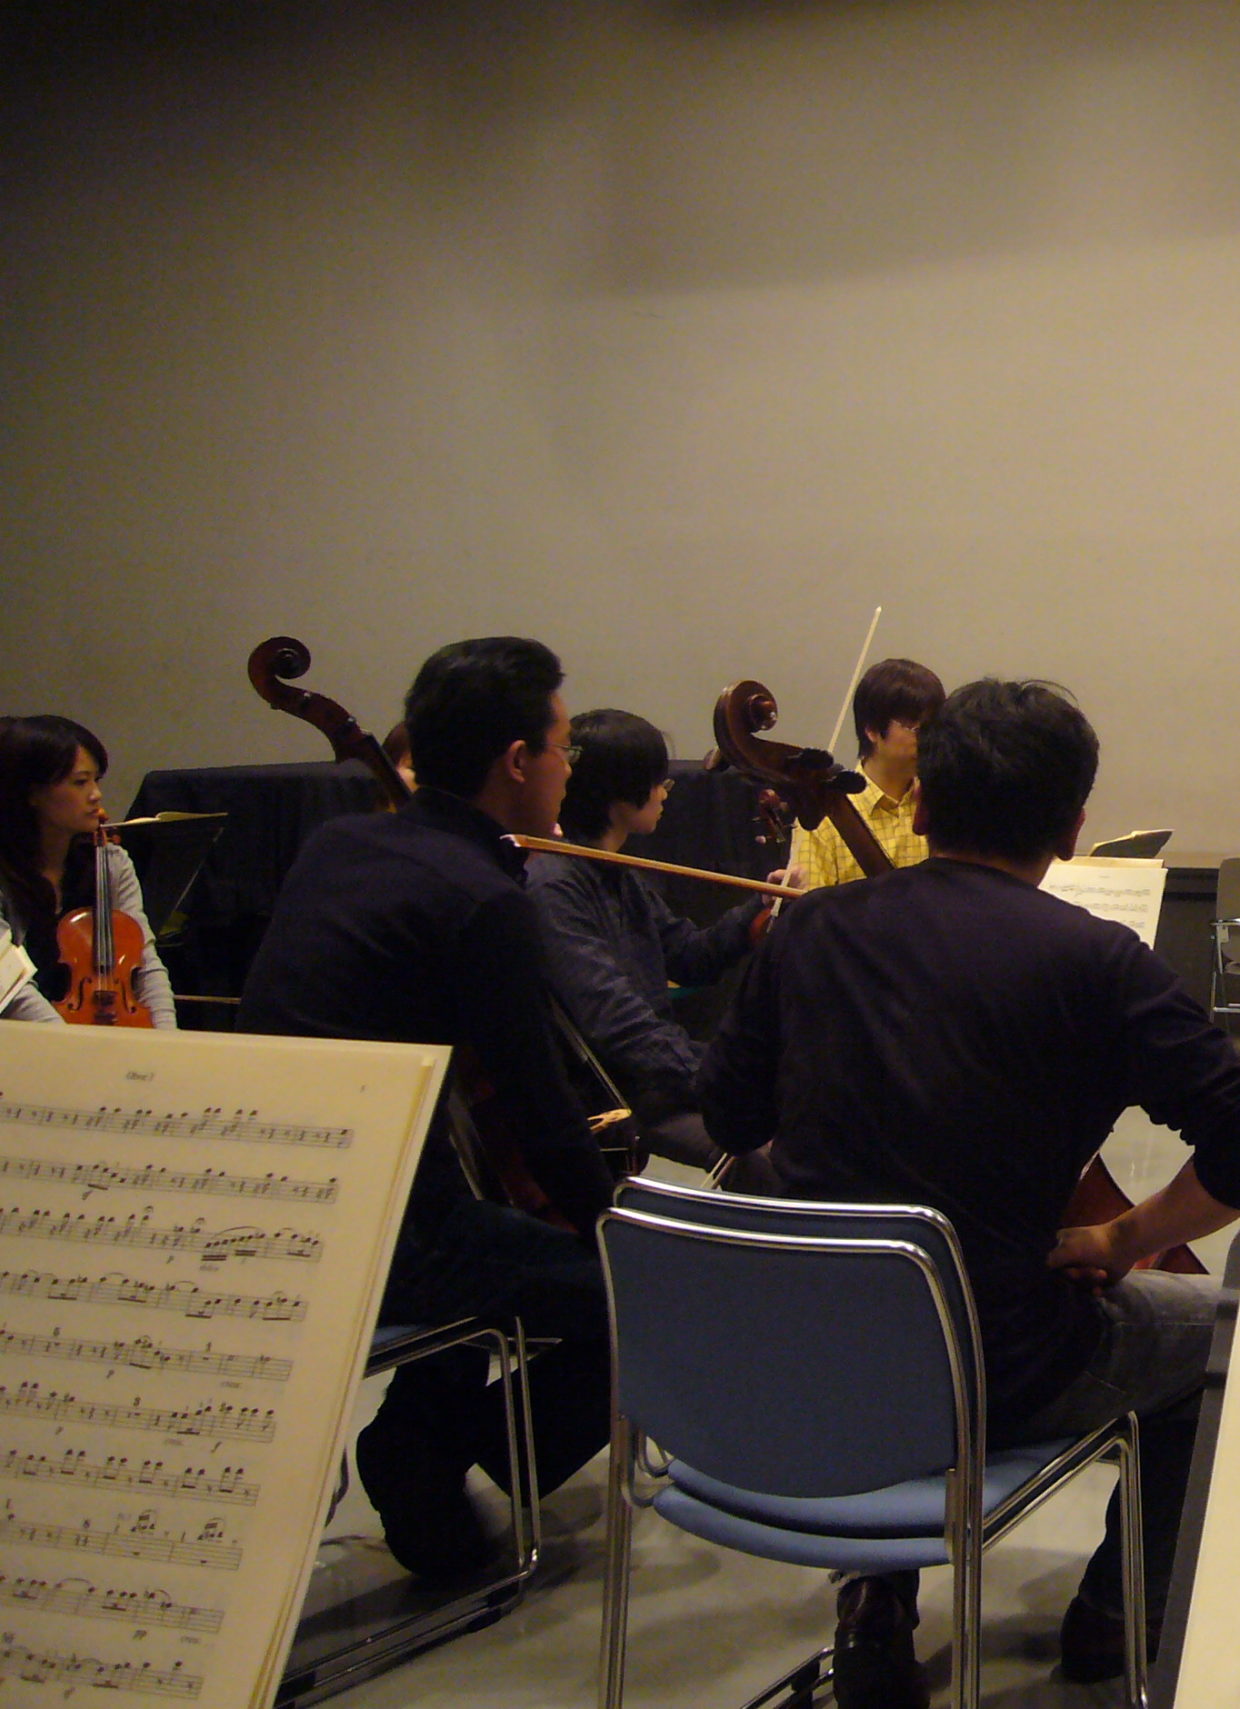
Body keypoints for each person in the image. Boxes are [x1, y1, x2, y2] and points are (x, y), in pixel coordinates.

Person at [697, 678, 1240, 1702]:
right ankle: (1118, 1613)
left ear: (923, 805)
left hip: (799, 1358)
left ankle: (874, 1599)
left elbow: (725, 1115)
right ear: (1071, 829)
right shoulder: (1097, 961)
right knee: (1233, 1332)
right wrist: (1120, 1239)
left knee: (895, 1294)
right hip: (991, 1367)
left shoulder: (807, 929)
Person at [239, 638, 614, 1582]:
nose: (569, 768)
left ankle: (420, 1452)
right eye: (563, 747)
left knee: (487, 1238)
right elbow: (541, 1110)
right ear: (518, 760)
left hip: (267, 1196)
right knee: (642, 1305)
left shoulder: (340, 843)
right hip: (379, 1232)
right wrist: (622, 1234)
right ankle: (425, 1448)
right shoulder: (481, 895)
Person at [526, 709, 768, 1171]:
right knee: (767, 1156)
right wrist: (721, 1076)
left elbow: (692, 957)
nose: (664, 792)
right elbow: (619, 1026)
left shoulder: (619, 874)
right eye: (657, 781)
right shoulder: (555, 884)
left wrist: (760, 908)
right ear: (619, 790)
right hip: (621, 1101)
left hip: (658, 1084)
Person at [0, 715, 175, 1028]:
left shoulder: (110, 861)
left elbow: (145, 963)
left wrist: (165, 1038)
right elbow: (11, 989)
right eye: (80, 782)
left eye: (97, 780)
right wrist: (74, 1047)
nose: (96, 794)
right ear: (31, 793)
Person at [787, 657, 944, 887]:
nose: (929, 740)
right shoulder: (824, 816)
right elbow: (813, 906)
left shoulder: (940, 807)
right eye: (917, 728)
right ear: (872, 729)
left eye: (934, 728)